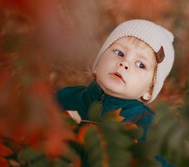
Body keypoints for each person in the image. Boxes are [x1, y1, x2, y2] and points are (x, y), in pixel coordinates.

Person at [55, 19, 176, 167]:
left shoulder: (152, 130)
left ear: (149, 90)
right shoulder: (64, 99)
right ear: (98, 63)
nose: (124, 63)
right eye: (119, 53)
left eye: (140, 64)